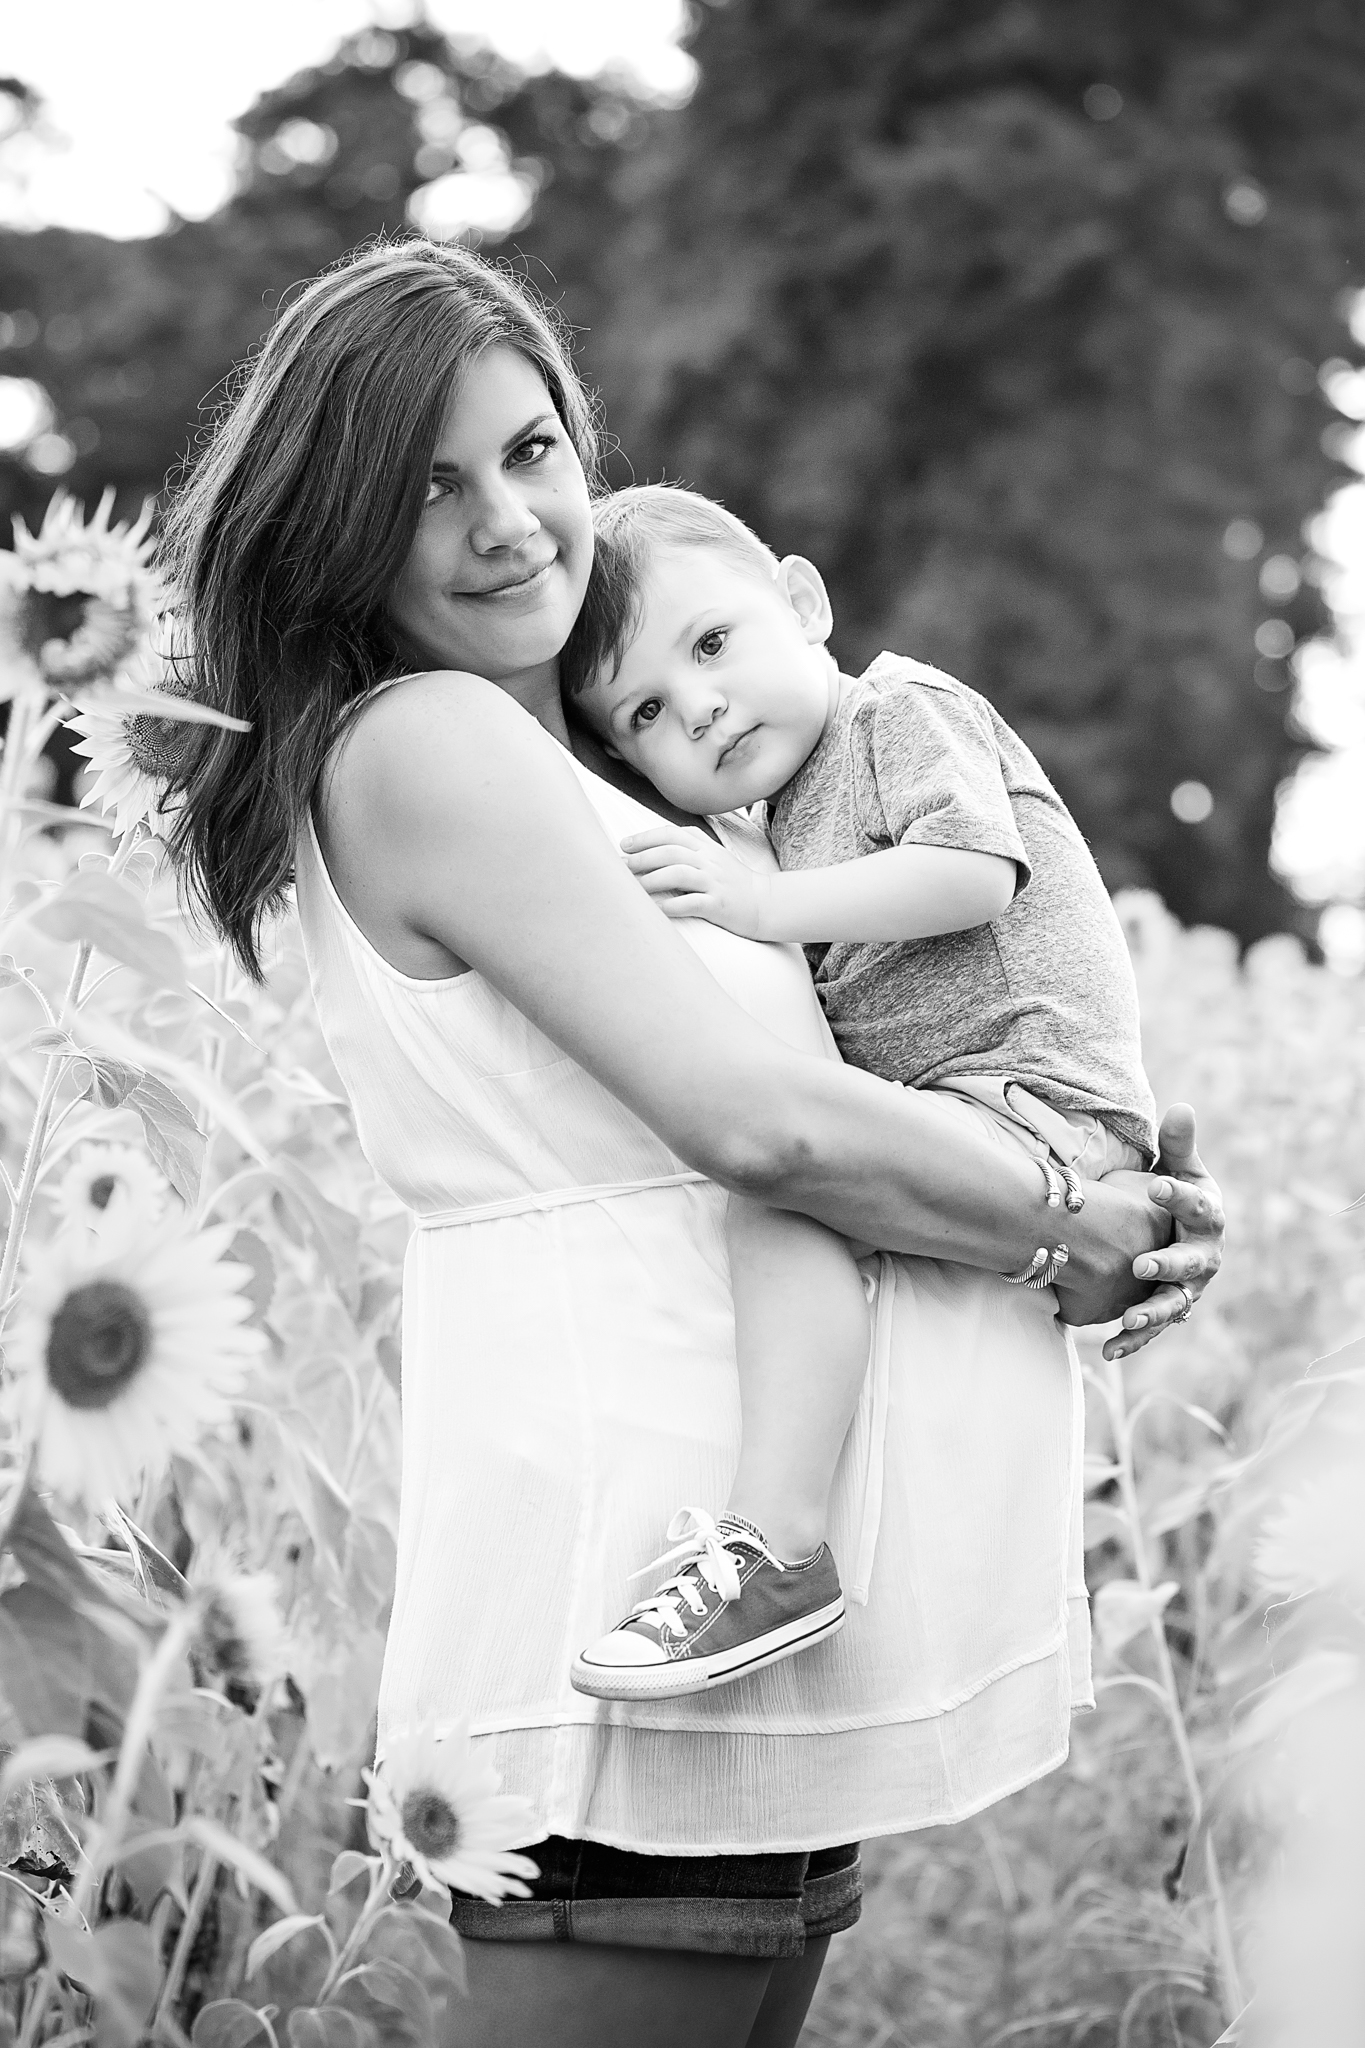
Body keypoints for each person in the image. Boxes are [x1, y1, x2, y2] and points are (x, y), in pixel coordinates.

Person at [161, 241, 1223, 2048]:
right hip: (632, 1569)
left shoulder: (610, 775)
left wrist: (1079, 1164)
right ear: (336, 524)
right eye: (429, 486)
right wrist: (1065, 1213)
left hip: (735, 1611)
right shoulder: (428, 741)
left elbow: (880, 1045)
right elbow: (757, 1123)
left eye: (533, 453)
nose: (509, 522)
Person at [560, 485, 1159, 1704]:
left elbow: (974, 871)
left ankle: (778, 1544)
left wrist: (762, 905)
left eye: (712, 642)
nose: (700, 705)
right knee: (790, 1196)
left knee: (784, 1192)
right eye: (647, 710)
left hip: (1029, 1090)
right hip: (972, 1103)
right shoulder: (772, 815)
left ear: (802, 601)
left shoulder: (898, 709)